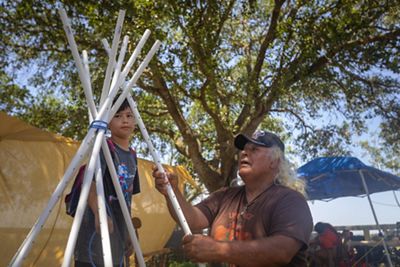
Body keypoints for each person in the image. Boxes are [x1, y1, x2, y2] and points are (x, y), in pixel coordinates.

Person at [153, 130, 313, 266]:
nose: (244, 152)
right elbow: (191, 219)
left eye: (254, 149)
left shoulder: (291, 201)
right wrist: (171, 192)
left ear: (274, 162)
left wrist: (217, 250)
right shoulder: (225, 195)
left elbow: (281, 251)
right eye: (244, 149)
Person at [74, 96, 141, 267]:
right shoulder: (104, 148)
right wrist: (99, 213)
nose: (124, 120)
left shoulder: (133, 156)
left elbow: (127, 199)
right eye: (117, 116)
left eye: (129, 115)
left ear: (135, 120)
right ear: (108, 121)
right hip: (94, 236)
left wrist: (130, 232)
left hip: (117, 236)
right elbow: (89, 183)